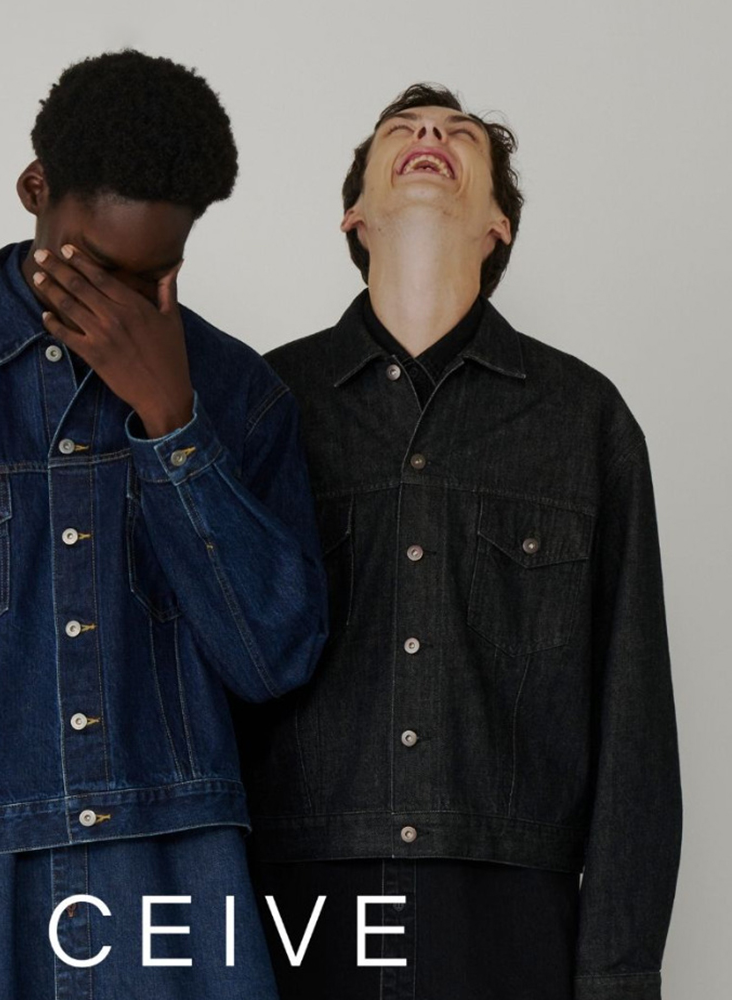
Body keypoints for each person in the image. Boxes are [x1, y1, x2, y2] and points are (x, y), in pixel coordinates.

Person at [0, 49, 327, 1000]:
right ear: (35, 190)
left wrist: (173, 427)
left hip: (182, 899)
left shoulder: (240, 398)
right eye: (100, 269)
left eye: (156, 275)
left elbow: (274, 660)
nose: (121, 307)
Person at [233, 83, 682, 1000]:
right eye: (401, 131)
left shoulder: (584, 421)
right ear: (354, 215)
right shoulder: (262, 407)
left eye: (459, 135)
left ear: (499, 226)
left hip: (510, 918)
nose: (430, 133)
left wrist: (619, 974)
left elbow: (634, 717)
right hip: (297, 910)